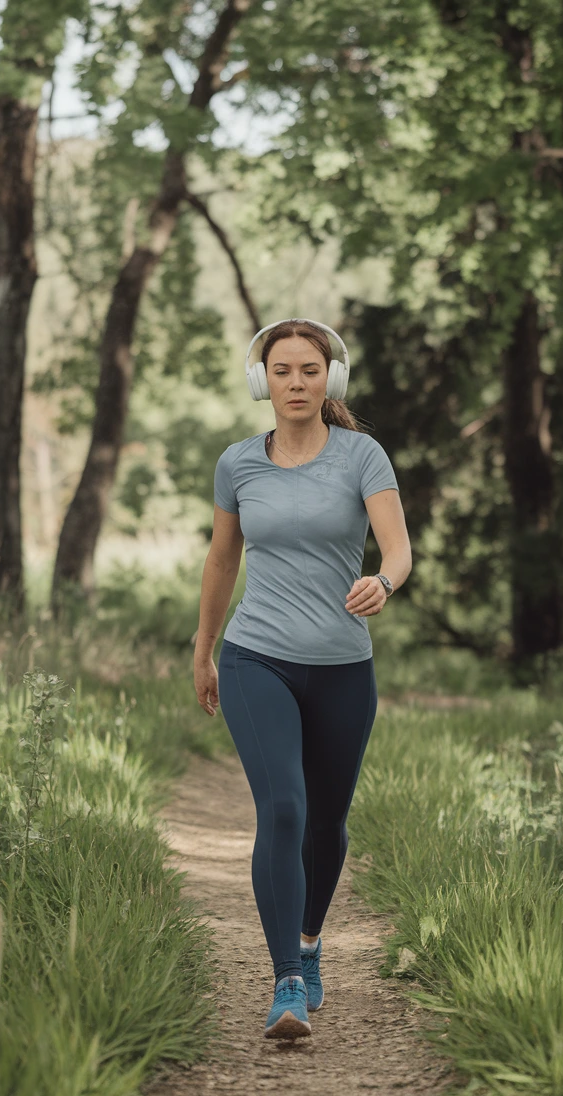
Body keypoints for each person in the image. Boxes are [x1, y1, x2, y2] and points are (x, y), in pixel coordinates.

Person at [193, 318, 412, 1039]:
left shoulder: (362, 456)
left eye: (308, 370)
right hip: (256, 658)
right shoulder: (237, 465)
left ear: (330, 379)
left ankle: (312, 945)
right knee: (283, 808)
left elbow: (399, 549)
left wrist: (383, 580)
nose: (295, 383)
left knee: (328, 822)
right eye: (281, 370)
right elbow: (222, 561)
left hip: (344, 667)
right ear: (263, 380)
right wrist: (204, 648)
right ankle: (286, 979)